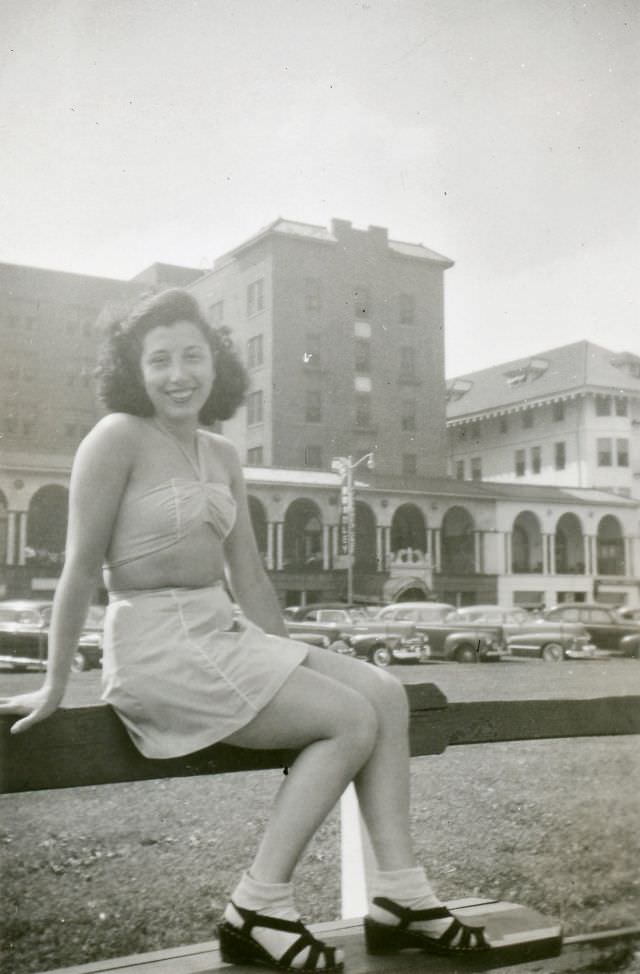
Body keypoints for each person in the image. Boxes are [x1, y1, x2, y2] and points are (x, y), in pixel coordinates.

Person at [0, 289, 490, 972]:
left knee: (383, 692)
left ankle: (401, 896)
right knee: (348, 720)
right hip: (156, 647)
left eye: (192, 356)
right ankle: (256, 906)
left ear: (216, 364)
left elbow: (251, 574)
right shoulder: (115, 438)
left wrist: (287, 653)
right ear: (135, 371)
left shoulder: (223, 453)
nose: (179, 374)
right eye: (160, 359)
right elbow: (81, 569)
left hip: (221, 631)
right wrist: (53, 685)